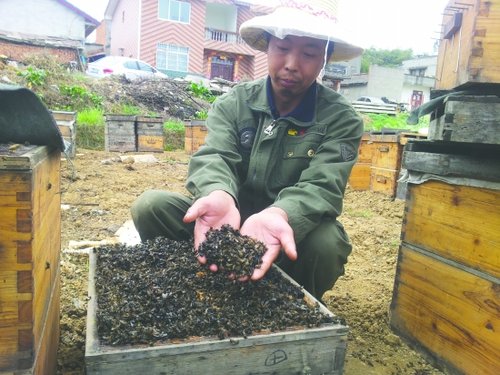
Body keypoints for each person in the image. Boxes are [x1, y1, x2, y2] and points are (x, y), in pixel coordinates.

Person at [131, 0, 364, 301]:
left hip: (286, 231)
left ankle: (289, 306)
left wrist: (281, 214)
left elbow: (322, 185)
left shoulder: (341, 119)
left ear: (325, 58)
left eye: (308, 53)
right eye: (282, 48)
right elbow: (215, 155)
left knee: (328, 243)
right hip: (224, 224)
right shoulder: (234, 103)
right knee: (150, 206)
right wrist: (218, 193)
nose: (292, 64)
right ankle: (199, 284)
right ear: (267, 47)